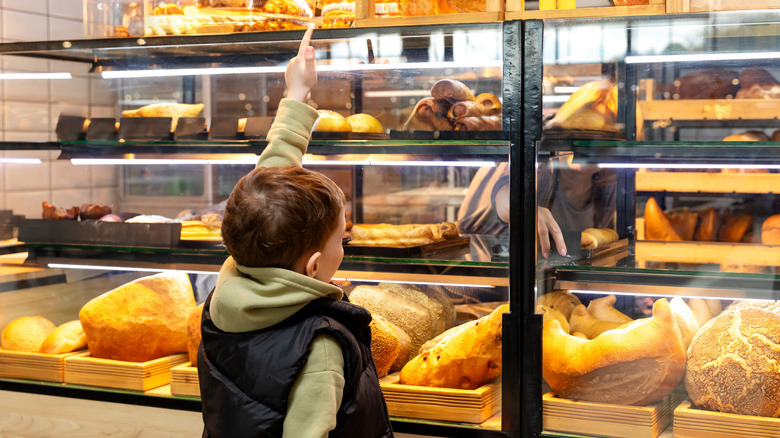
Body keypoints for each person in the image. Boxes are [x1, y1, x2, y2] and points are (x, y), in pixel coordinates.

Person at [197, 26, 393, 438]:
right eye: (343, 237)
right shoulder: (320, 346)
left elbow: (269, 179)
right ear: (315, 264)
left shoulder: (232, 285)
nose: (347, 242)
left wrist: (297, 93)